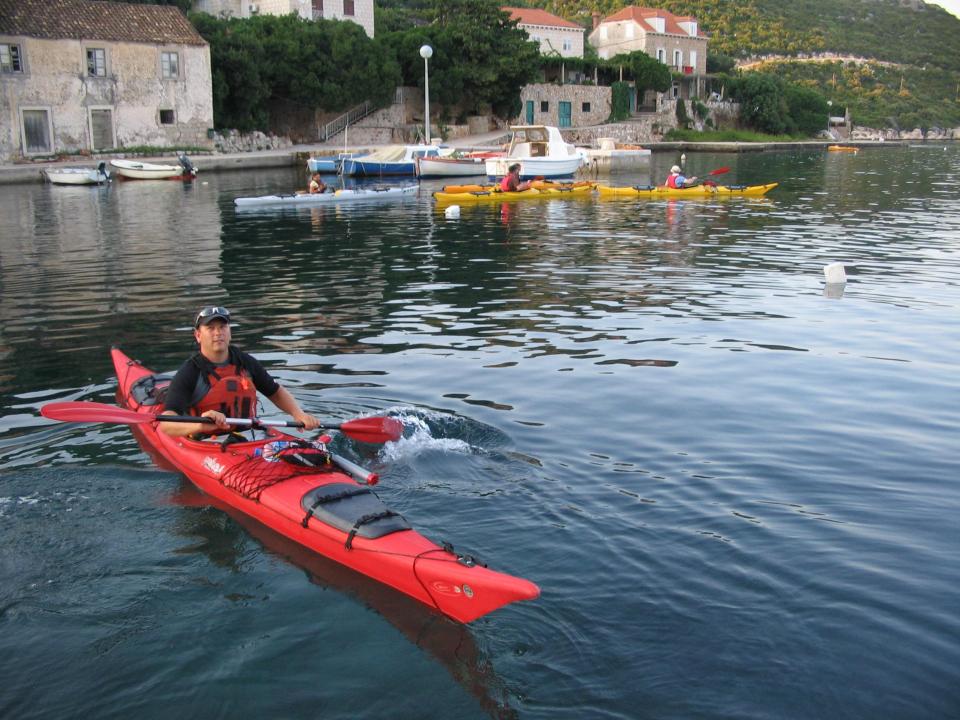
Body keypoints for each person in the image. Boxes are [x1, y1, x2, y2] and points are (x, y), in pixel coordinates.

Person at [160, 306, 321, 438]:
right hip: (205, 441)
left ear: (229, 332)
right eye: (210, 328)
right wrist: (200, 424)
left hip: (247, 436)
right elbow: (166, 424)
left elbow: (275, 392)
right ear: (198, 335)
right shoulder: (190, 372)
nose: (218, 333)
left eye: (223, 327)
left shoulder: (245, 362)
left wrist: (298, 414)